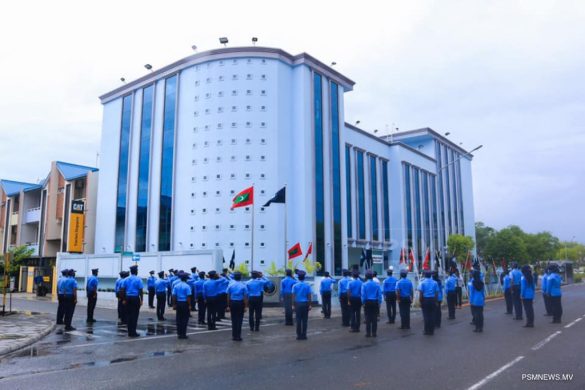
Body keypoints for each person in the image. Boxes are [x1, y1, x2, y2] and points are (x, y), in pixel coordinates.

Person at [120, 265, 144, 338]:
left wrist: (123, 299)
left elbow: (122, 290)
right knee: (135, 315)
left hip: (127, 298)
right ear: (136, 271)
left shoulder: (125, 279)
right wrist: (141, 300)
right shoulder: (139, 279)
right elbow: (140, 291)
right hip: (135, 298)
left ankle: (129, 331)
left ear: (131, 272)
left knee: (128, 315)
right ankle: (133, 332)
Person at [227, 271, 248, 341]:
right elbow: (245, 297)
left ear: (234, 277)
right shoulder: (243, 285)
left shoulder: (231, 285)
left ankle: (234, 336)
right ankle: (238, 336)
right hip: (240, 303)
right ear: (240, 277)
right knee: (239, 320)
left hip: (233, 303)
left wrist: (228, 305)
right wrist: (245, 306)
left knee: (233, 319)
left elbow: (228, 296)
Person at [292, 270, 312, 340]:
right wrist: (310, 305)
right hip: (305, 303)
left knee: (298, 320)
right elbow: (309, 296)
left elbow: (293, 296)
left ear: (298, 277)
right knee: (305, 320)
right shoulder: (307, 285)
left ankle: (298, 335)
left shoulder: (295, 286)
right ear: (304, 277)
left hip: (298, 304)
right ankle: (304, 335)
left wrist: (293, 305)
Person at [362, 270, 382, 337]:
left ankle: (368, 333)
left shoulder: (364, 284)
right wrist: (379, 302)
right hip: (375, 302)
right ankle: (374, 333)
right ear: (372, 276)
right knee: (374, 318)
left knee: (367, 318)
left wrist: (363, 303)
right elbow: (379, 295)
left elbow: (363, 295)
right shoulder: (377, 284)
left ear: (366, 277)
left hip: (367, 302)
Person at [418, 270, 439, 335]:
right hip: (432, 299)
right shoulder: (435, 282)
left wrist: (420, 301)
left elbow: (421, 293)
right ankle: (431, 330)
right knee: (432, 315)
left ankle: (426, 330)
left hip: (425, 300)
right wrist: (436, 301)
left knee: (426, 315)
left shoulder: (422, 282)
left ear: (424, 275)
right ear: (430, 275)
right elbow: (436, 293)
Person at [172, 271, 192, 339]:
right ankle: (183, 334)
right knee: (184, 319)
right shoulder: (187, 286)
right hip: (184, 303)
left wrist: (174, 304)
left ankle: (179, 333)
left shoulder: (176, 285)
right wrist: (189, 305)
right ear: (186, 279)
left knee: (179, 319)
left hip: (178, 302)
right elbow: (188, 297)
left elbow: (174, 295)